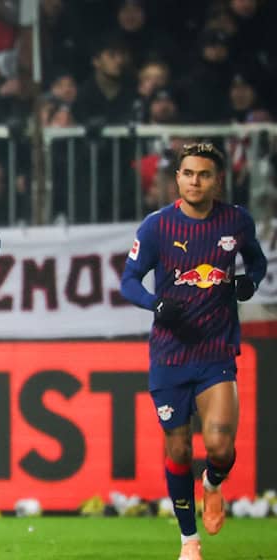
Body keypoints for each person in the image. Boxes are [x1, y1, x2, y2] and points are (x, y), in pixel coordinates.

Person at [120, 142, 266, 560]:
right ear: (177, 178)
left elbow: (255, 262)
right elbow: (128, 280)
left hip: (216, 352)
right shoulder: (156, 227)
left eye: (203, 174)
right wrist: (155, 304)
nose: (195, 181)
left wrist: (249, 282)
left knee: (219, 447)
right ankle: (189, 541)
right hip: (169, 355)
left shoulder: (236, 221)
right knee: (180, 450)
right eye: (188, 174)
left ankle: (213, 484)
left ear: (217, 180)